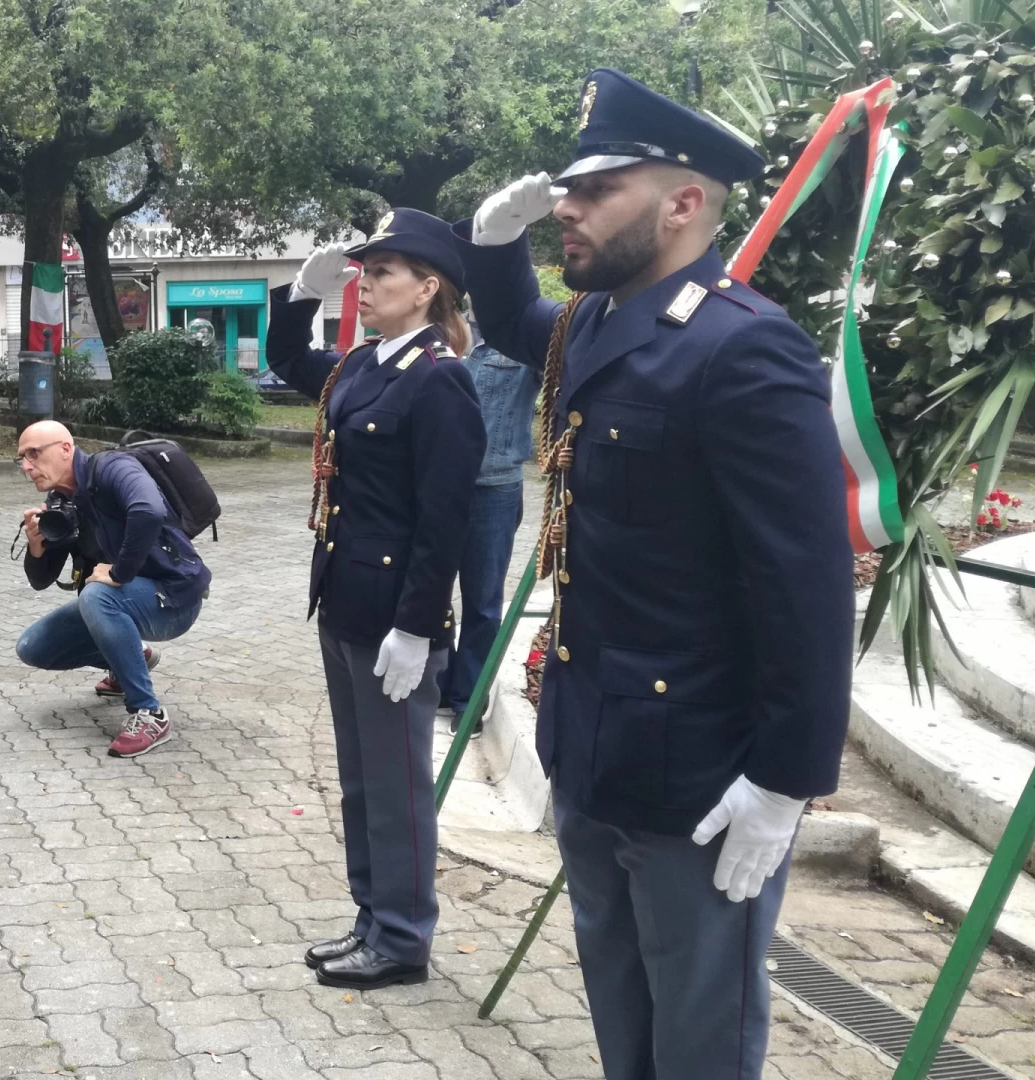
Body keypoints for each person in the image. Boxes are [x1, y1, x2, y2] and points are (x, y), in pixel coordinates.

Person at [453, 68, 853, 1078]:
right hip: (594, 750)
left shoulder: (743, 352)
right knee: (623, 1024)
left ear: (682, 205)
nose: (567, 209)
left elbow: (805, 586)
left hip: (699, 778)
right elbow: (519, 330)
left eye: (597, 190)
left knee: (699, 1039)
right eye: (568, 189)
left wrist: (786, 780)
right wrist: (492, 253)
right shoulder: (600, 321)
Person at [265, 208, 485, 990]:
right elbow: (288, 359)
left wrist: (417, 627)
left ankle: (403, 937)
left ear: (428, 287)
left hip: (394, 613)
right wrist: (300, 295)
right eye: (365, 268)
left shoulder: (440, 380)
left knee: (398, 784)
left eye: (382, 271)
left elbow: (445, 518)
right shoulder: (364, 365)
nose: (368, 281)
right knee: (363, 777)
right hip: (345, 601)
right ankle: (372, 916)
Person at [14, 420, 211, 758]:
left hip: (174, 598)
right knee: (32, 647)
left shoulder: (113, 467)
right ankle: (133, 659)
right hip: (116, 601)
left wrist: (119, 572)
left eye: (34, 454)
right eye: (21, 458)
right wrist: (37, 546)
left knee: (97, 596)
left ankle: (149, 713)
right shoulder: (62, 499)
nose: (26, 466)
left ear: (65, 448)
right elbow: (40, 580)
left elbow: (148, 510)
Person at [445, 321, 541, 733]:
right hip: (440, 482)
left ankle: (467, 701)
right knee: (431, 589)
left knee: (483, 600)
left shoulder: (522, 343)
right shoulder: (448, 337)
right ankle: (439, 683)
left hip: (495, 486)